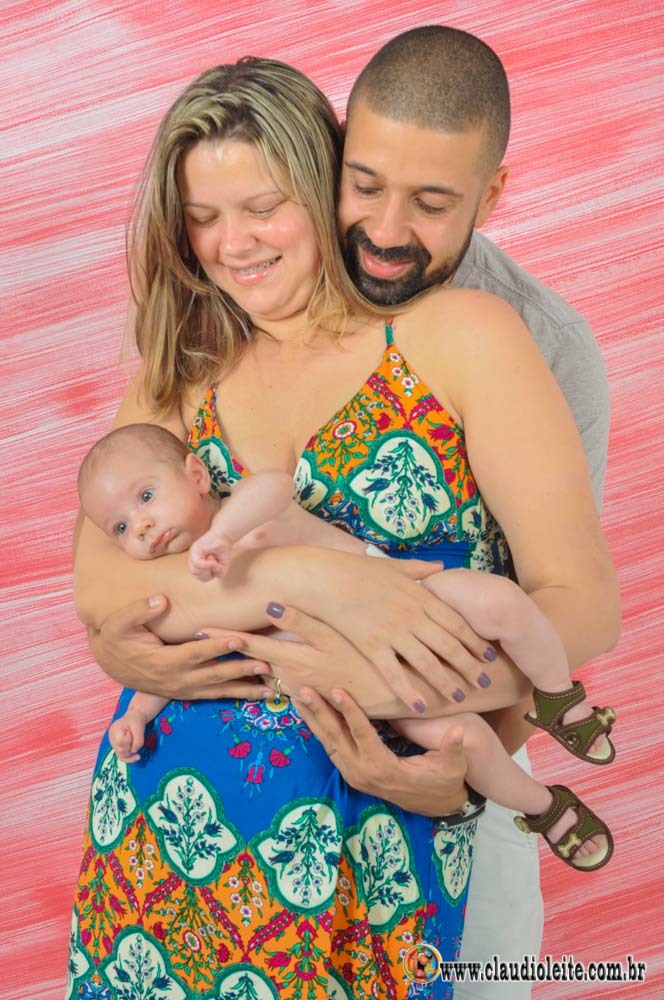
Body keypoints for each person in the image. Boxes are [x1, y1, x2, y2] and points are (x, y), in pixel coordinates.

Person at [68, 56, 620, 998]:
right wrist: (312, 581)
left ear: (316, 185)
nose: (233, 243)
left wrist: (433, 720)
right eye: (203, 216)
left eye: (264, 206)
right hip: (167, 851)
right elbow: (102, 585)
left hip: (394, 838)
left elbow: (577, 606)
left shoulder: (478, 333)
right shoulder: (188, 366)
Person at [79, 421, 616, 871]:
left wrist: (222, 534)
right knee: (463, 740)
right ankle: (545, 807)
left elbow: (275, 487)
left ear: (196, 476)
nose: (141, 526)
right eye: (120, 527)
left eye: (146, 497)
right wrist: (138, 716)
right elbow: (174, 663)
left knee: (500, 602)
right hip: (370, 688)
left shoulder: (243, 516)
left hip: (405, 596)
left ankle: (560, 698)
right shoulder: (183, 589)